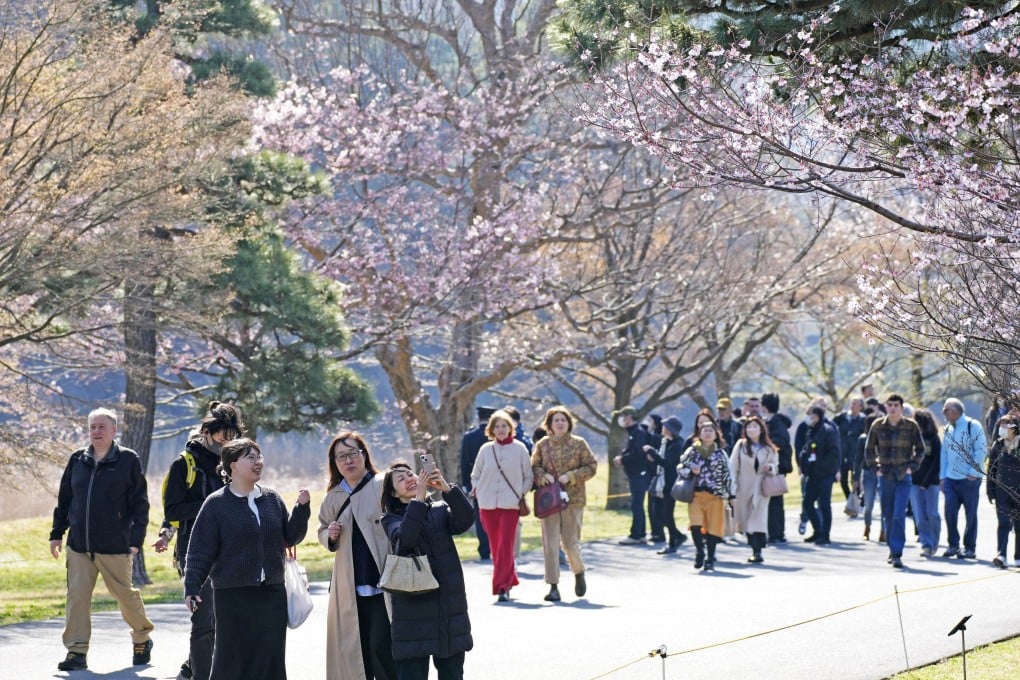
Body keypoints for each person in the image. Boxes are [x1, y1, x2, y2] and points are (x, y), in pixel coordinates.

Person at [183, 438, 310, 680]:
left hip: (272, 594)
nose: (258, 462)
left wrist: (302, 509)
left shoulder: (272, 498)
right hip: (232, 595)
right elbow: (200, 550)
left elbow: (290, 537)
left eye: (259, 457)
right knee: (231, 662)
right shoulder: (216, 504)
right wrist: (191, 587)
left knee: (270, 660)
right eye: (250, 457)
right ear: (233, 465)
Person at [49, 407, 154, 672]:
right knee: (77, 598)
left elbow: (140, 503)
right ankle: (76, 651)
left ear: (113, 430)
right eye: (93, 427)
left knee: (125, 595)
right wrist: (56, 534)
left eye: (102, 427)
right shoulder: (77, 460)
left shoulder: (127, 460)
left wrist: (135, 540)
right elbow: (65, 500)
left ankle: (142, 637)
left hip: (114, 545)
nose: (96, 431)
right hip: (79, 546)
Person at [160, 401, 242, 680]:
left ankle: (191, 667)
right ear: (207, 431)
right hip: (195, 552)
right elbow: (172, 510)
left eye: (232, 436)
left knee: (224, 620)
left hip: (230, 551)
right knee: (204, 620)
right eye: (222, 435)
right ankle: (200, 674)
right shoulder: (185, 464)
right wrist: (211, 504)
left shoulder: (231, 464)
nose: (227, 442)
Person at [381, 461, 474, 679]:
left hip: (448, 608)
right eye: (401, 479)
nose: (409, 479)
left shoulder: (440, 509)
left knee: (452, 673)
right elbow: (405, 540)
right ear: (393, 493)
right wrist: (419, 500)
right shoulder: (390, 518)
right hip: (413, 612)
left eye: (410, 474)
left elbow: (465, 521)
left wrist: (448, 490)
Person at [318, 431, 396, 680]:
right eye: (341, 457)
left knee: (381, 647)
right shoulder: (333, 496)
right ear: (335, 463)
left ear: (364, 455)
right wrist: (329, 534)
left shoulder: (383, 484)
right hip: (350, 586)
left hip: (384, 582)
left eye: (353, 453)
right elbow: (322, 528)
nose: (348, 460)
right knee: (356, 649)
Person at [531, 406, 598, 602]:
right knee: (550, 544)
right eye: (556, 420)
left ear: (569, 423)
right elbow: (533, 466)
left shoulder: (579, 444)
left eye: (563, 420)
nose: (560, 423)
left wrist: (571, 476)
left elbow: (591, 466)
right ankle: (553, 586)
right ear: (550, 424)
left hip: (573, 500)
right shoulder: (543, 445)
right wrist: (543, 477)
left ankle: (578, 572)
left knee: (570, 543)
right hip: (548, 502)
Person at [470, 409, 533, 602]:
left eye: (504, 426)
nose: (500, 429)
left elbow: (528, 476)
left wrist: (520, 493)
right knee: (496, 546)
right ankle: (509, 578)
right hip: (487, 504)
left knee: (506, 545)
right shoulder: (485, 449)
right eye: (496, 426)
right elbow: (475, 474)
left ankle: (502, 587)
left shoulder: (520, 448)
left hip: (510, 504)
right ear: (491, 429)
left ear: (510, 428)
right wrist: (477, 489)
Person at [865, 394, 926, 568]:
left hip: (903, 475)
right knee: (888, 515)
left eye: (896, 405)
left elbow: (921, 450)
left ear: (901, 407)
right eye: (889, 405)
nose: (892, 408)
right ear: (886, 406)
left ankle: (897, 552)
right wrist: (875, 470)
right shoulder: (877, 425)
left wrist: (912, 467)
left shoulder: (910, 426)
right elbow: (869, 450)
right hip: (885, 476)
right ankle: (892, 550)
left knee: (899, 514)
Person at [677, 421, 733, 571]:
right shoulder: (692, 451)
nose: (707, 433)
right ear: (699, 434)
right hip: (696, 494)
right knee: (695, 524)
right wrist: (690, 470)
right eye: (704, 430)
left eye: (711, 431)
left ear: (716, 435)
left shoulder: (721, 453)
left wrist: (731, 494)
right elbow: (680, 467)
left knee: (713, 528)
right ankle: (699, 551)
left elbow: (729, 474)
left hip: (715, 496)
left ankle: (710, 557)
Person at [940, 398, 988, 559]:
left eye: (946, 410)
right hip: (951, 479)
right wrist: (942, 477)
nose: (944, 413)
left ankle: (969, 548)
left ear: (955, 411)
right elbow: (944, 454)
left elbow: (981, 450)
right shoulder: (947, 429)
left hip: (970, 480)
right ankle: (953, 545)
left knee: (970, 514)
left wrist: (973, 473)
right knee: (950, 513)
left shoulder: (972, 425)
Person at [730, 416, 780, 563]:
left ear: (761, 429)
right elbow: (733, 467)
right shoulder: (741, 446)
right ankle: (754, 547)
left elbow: (776, 466)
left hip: (762, 487)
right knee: (746, 520)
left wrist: (770, 468)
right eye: (749, 427)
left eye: (755, 426)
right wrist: (732, 488)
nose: (752, 430)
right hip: (744, 487)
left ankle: (758, 550)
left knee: (758, 519)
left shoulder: (769, 448)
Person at [798, 406, 841, 545]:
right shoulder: (811, 431)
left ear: (816, 416)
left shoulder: (828, 431)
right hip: (813, 474)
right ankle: (817, 530)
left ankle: (825, 534)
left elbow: (834, 453)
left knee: (824, 504)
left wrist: (824, 468)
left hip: (824, 474)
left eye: (809, 415)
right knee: (808, 502)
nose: (807, 418)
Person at [645, 416, 688, 554]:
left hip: (670, 483)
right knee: (657, 513)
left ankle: (672, 543)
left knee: (668, 514)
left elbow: (666, 462)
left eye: (665, 426)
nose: (662, 428)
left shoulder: (678, 444)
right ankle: (678, 536)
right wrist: (654, 455)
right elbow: (661, 459)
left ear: (670, 430)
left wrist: (650, 451)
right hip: (660, 483)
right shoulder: (665, 441)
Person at [612, 405, 653, 545]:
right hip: (635, 474)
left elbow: (638, 453)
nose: (621, 419)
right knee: (637, 505)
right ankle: (641, 534)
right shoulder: (633, 432)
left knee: (636, 505)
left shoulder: (638, 433)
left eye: (623, 416)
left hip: (639, 474)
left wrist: (622, 459)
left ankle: (635, 535)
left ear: (629, 417)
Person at [459, 406, 496, 560]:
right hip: (496, 481)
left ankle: (484, 549)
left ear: (479, 417)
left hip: (478, 482)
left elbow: (464, 463)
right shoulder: (496, 436)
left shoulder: (469, 437)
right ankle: (495, 546)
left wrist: (467, 484)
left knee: (481, 516)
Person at [987, 415, 1020, 568]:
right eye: (1001, 424)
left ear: (1014, 428)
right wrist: (990, 490)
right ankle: (1001, 555)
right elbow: (991, 469)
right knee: (1003, 524)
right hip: (1001, 492)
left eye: (1006, 425)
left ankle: (1018, 557)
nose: (1002, 428)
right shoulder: (998, 445)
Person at [910, 409, 943, 557]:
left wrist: (926, 482)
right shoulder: (912, 439)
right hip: (914, 482)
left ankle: (934, 542)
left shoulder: (934, 439)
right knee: (920, 515)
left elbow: (936, 463)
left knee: (932, 514)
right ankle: (926, 544)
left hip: (931, 483)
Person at [761, 393, 793, 544]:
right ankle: (774, 532)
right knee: (773, 500)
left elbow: (778, 444)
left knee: (774, 501)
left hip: (775, 467)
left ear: (765, 406)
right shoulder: (772, 422)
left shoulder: (776, 424)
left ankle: (776, 533)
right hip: (774, 467)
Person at [854, 413, 885, 541]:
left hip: (883, 472)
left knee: (885, 503)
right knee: (869, 503)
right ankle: (867, 526)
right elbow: (858, 458)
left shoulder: (885, 437)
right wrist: (855, 477)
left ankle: (884, 531)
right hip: (868, 472)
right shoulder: (863, 438)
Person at [833, 398, 867, 502]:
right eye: (852, 403)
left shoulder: (863, 420)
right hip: (843, 453)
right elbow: (832, 427)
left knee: (855, 479)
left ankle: (858, 499)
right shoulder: (841, 417)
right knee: (843, 480)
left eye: (855, 404)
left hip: (856, 453)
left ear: (860, 407)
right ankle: (849, 499)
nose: (852, 406)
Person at [643, 413, 666, 543]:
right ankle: (656, 532)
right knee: (653, 506)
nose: (647, 422)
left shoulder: (655, 438)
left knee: (654, 506)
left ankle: (658, 533)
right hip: (653, 475)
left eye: (650, 420)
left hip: (656, 476)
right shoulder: (656, 437)